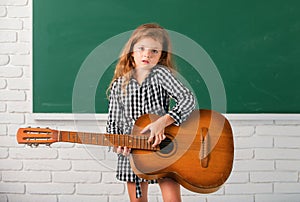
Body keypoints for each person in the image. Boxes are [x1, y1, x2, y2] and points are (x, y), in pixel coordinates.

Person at [106, 23, 195, 202]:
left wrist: (162, 122)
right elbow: (113, 123)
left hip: (164, 148)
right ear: (131, 51)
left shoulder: (161, 74)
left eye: (154, 51)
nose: (147, 54)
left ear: (161, 55)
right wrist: (118, 142)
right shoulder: (119, 84)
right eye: (142, 48)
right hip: (133, 153)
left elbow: (188, 99)